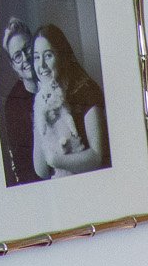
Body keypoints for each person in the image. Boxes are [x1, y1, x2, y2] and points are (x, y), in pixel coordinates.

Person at [31, 23, 109, 179]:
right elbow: (41, 170)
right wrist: (42, 119)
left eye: (48, 55)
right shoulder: (42, 99)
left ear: (62, 56)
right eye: (36, 57)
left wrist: (56, 160)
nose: (41, 65)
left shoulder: (87, 91)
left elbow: (98, 156)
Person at [0, 18, 37, 189]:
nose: (26, 58)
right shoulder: (13, 105)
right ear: (13, 65)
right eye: (17, 56)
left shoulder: (58, 79)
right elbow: (22, 164)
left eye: (27, 48)